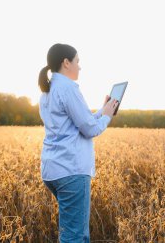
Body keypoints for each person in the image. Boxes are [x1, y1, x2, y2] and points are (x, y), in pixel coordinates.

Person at [38, 43, 119, 242]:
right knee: (76, 236)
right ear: (66, 62)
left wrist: (103, 110)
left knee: (71, 232)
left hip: (53, 169)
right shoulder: (68, 88)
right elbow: (90, 128)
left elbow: (80, 120)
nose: (79, 66)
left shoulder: (47, 90)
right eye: (77, 61)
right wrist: (107, 117)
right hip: (71, 170)